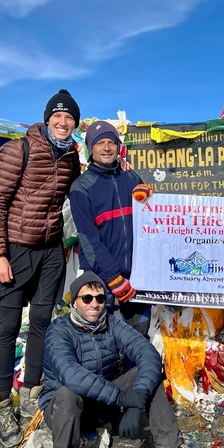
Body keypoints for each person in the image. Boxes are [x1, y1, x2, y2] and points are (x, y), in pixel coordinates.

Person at [0, 89, 82, 447]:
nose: (63, 122)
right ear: (46, 119)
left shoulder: (71, 156)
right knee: (8, 327)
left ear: (75, 123)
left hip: (51, 251)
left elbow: (77, 193)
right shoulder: (18, 150)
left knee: (41, 324)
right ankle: (2, 403)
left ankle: (30, 395)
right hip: (16, 250)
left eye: (69, 117)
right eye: (58, 116)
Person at [39, 272, 185, 448]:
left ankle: (169, 447)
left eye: (100, 298)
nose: (94, 304)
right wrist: (122, 398)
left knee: (148, 371)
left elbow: (147, 353)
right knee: (68, 393)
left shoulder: (111, 323)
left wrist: (137, 399)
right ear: (74, 302)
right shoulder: (58, 331)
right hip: (64, 412)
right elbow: (71, 375)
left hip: (103, 402)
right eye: (87, 298)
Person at [70, 121, 151, 336]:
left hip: (136, 276)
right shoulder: (82, 187)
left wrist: (148, 194)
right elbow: (89, 241)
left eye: (111, 142)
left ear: (118, 147)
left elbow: (151, 219)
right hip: (100, 277)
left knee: (139, 336)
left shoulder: (131, 177)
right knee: (100, 338)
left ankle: (136, 371)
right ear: (90, 149)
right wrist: (113, 278)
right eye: (100, 143)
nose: (106, 148)